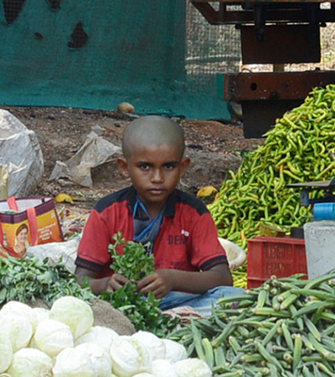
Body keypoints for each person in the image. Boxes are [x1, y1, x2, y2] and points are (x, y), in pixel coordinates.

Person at [74, 116, 242, 316]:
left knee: (235, 297)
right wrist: (105, 284)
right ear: (124, 167)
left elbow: (223, 277)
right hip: (119, 306)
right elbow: (80, 280)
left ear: (183, 167)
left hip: (178, 302)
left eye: (169, 166)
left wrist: (173, 279)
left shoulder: (194, 213)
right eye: (145, 166)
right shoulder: (107, 212)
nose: (157, 178)